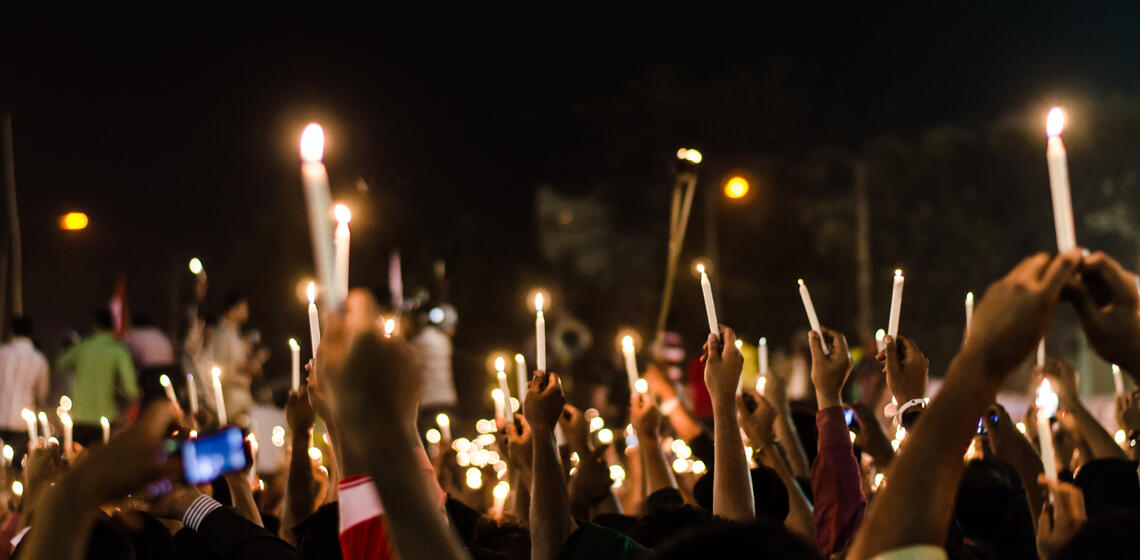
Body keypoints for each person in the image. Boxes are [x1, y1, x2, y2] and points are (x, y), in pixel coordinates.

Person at [56, 309, 138, 445]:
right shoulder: (118, 350)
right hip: (106, 418)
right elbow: (131, 390)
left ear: (94, 326)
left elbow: (59, 364)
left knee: (79, 460)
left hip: (79, 417)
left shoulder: (82, 347)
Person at [207, 293, 262, 426]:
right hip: (231, 395)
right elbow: (218, 366)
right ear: (232, 309)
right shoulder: (223, 334)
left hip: (242, 393)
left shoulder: (235, 334)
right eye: (243, 307)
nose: (246, 311)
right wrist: (245, 368)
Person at [0, 316, 49, 461]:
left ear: (12, 332)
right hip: (23, 421)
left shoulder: (2, 353)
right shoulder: (39, 359)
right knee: (17, 466)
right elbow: (42, 393)